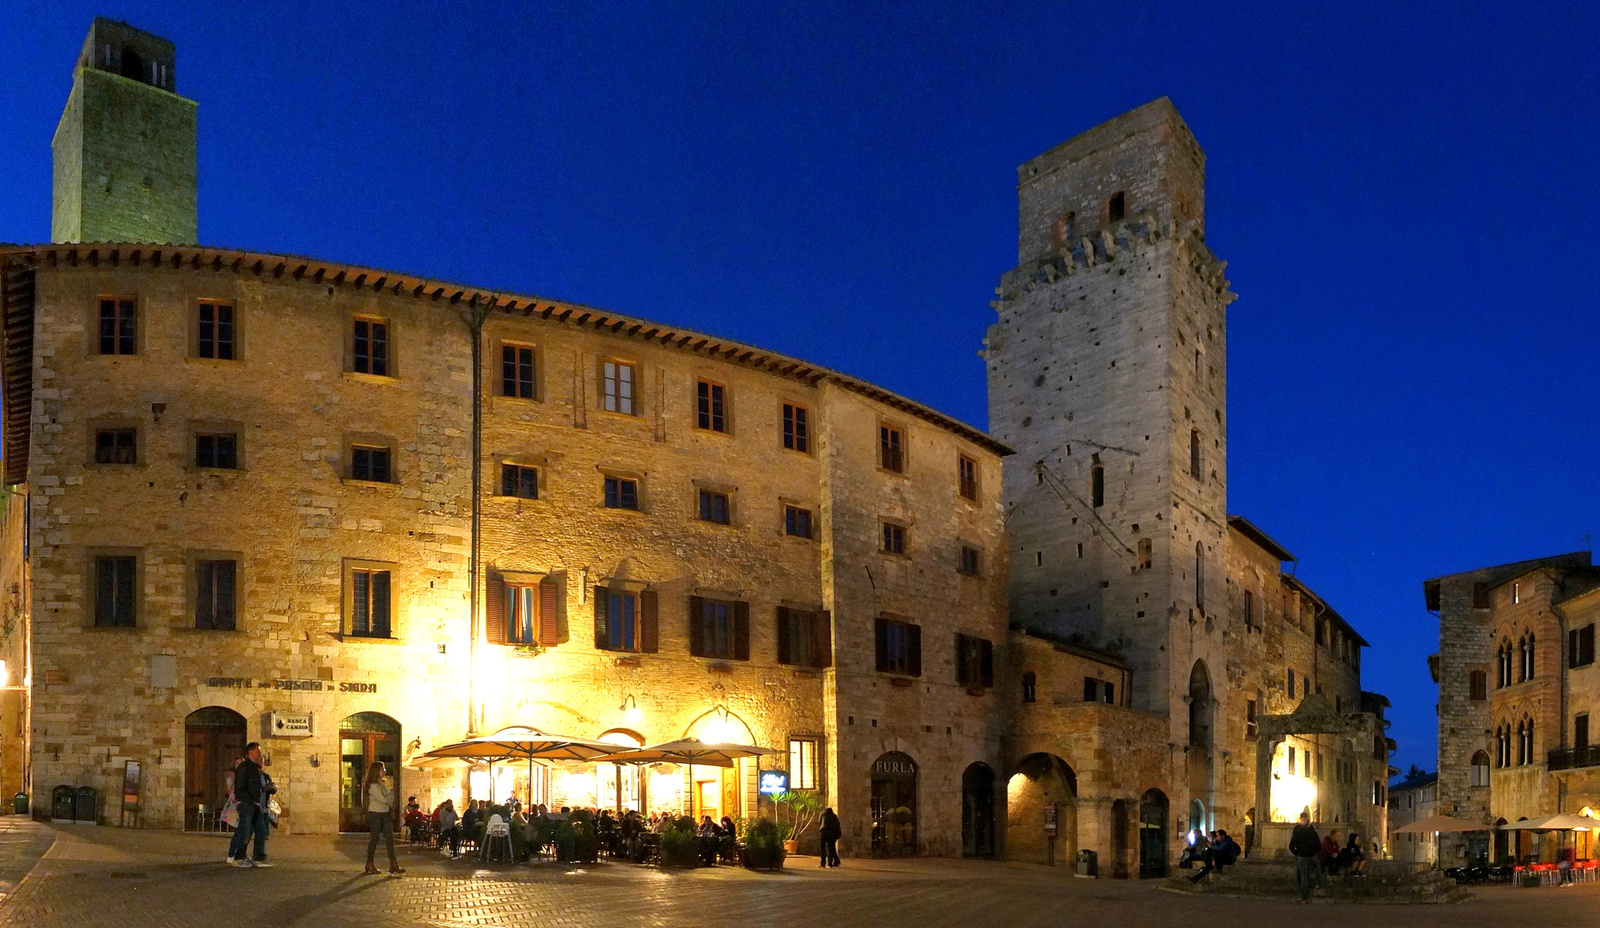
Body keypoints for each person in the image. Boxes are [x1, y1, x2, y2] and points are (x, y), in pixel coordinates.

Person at [227, 742, 273, 868]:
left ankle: (259, 857)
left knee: (261, 830)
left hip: (255, 804)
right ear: (251, 752)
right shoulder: (244, 767)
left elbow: (255, 786)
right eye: (258, 750)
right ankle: (239, 857)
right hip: (248, 804)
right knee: (245, 830)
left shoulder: (255, 768)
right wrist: (248, 800)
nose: (260, 753)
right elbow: (241, 787)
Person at [362, 761, 405, 876]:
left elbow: (390, 797)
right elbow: (385, 799)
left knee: (389, 838)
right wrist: (389, 797)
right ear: (377, 771)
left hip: (385, 813)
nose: (385, 771)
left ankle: (393, 863)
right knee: (375, 838)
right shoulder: (372, 785)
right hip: (375, 814)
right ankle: (369, 863)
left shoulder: (382, 783)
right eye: (382, 769)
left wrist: (389, 797)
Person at [1289, 811, 1322, 903]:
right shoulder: (1312, 832)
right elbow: (1318, 845)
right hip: (1309, 855)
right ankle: (1318, 885)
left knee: (1303, 876)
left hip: (1302, 856)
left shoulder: (1298, 832)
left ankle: (1305, 895)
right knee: (1314, 869)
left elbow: (1292, 845)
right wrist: (1313, 852)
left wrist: (1297, 852)